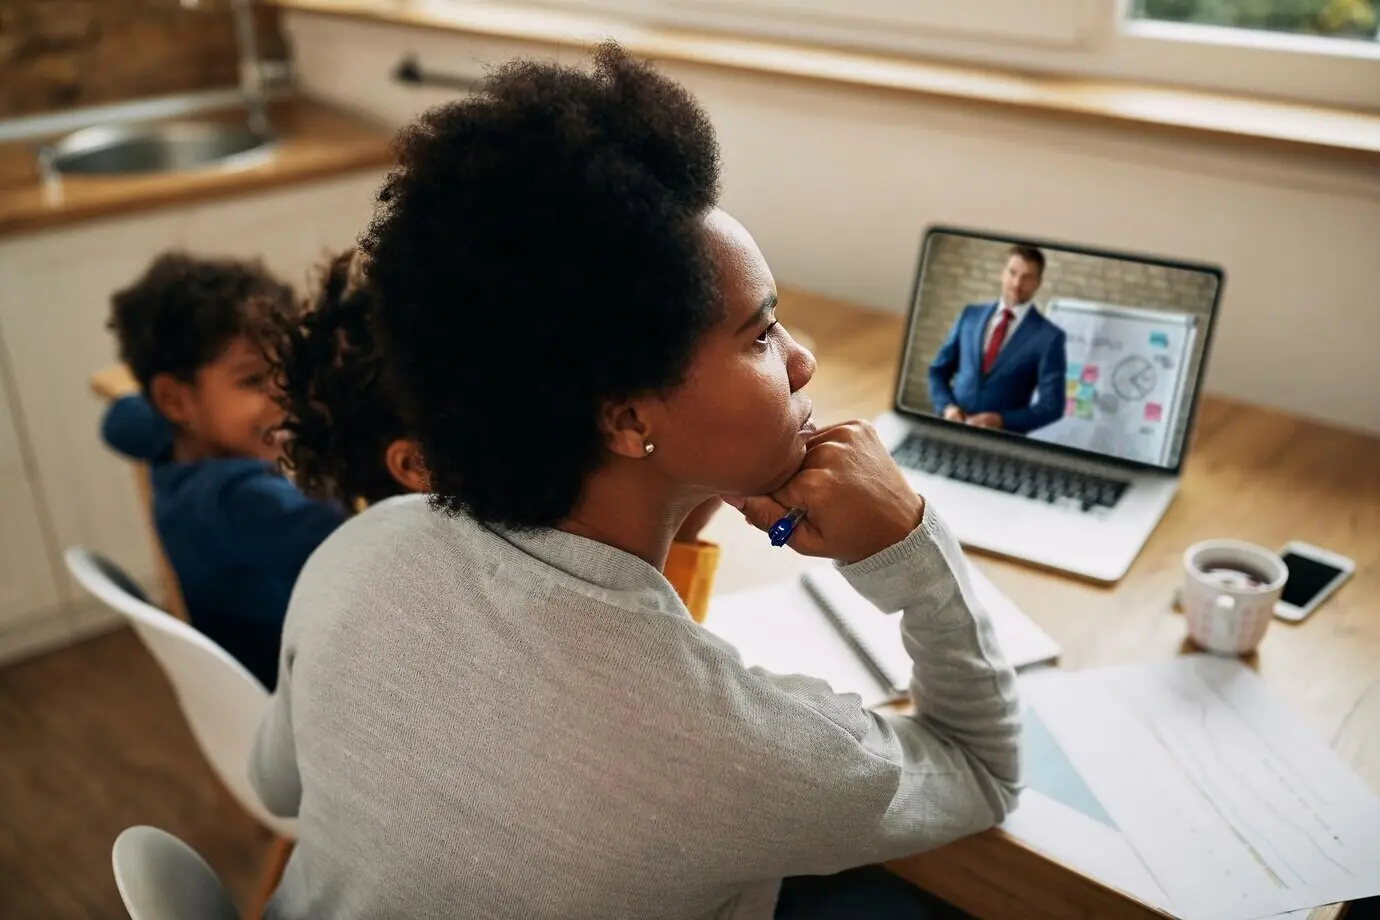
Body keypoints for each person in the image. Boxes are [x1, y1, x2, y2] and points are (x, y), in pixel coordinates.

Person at [251, 44, 1019, 920]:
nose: (801, 360)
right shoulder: (729, 745)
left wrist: (675, 509)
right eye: (760, 334)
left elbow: (276, 781)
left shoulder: (365, 545)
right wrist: (907, 547)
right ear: (624, 421)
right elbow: (982, 768)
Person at [271, 247, 722, 620]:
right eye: (487, 395)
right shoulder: (492, 588)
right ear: (417, 465)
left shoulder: (401, 552)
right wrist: (681, 533)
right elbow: (651, 665)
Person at [101, 252, 345, 689]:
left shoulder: (164, 441)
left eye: (287, 369)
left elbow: (119, 417)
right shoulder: (241, 501)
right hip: (304, 691)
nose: (286, 396)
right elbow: (351, 526)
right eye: (253, 381)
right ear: (174, 400)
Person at [927, 246, 1067, 435]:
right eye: (1012, 273)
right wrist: (947, 407)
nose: (1017, 283)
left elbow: (1052, 406)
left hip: (1002, 440)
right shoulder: (970, 315)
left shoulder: (1050, 337)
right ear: (1002, 274)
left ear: (1038, 283)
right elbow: (937, 371)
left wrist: (1001, 421)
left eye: (1027, 277)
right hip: (949, 429)